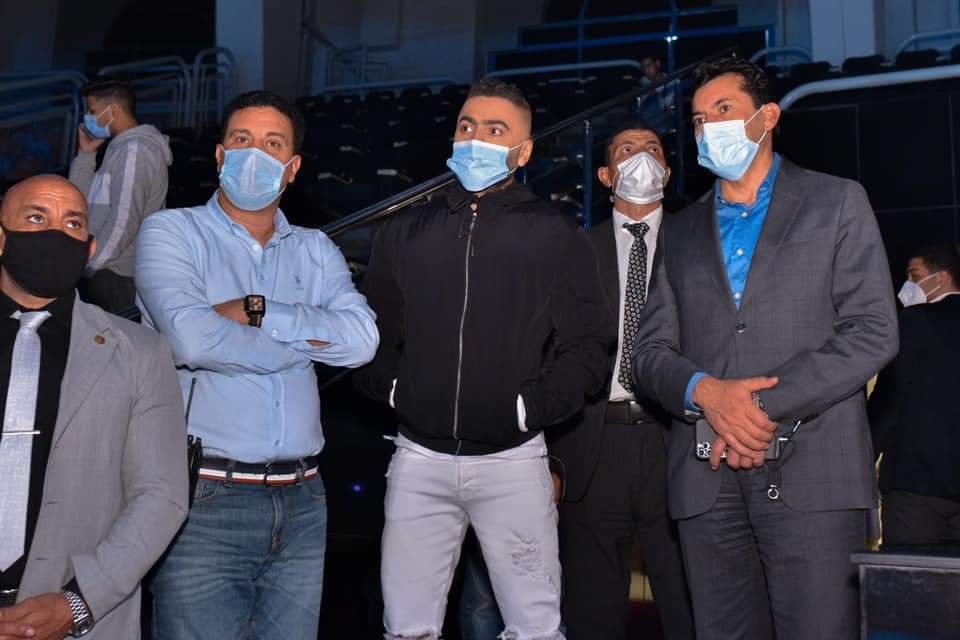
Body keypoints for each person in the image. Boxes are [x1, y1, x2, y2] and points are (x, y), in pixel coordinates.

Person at [632, 56, 898, 640]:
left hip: (816, 478)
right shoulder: (678, 231)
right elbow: (648, 354)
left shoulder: (836, 201)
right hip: (706, 484)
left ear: (768, 117)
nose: (709, 127)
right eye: (699, 119)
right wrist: (704, 393)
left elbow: (873, 330)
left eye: (723, 109)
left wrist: (756, 406)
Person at [355, 77, 611, 640]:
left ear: (524, 151)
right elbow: (371, 337)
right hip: (418, 460)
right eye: (467, 126)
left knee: (535, 629)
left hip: (512, 462)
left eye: (496, 130)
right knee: (407, 629)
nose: (476, 139)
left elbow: (589, 347)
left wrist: (529, 408)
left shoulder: (556, 234)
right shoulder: (405, 231)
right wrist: (396, 392)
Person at [137, 91, 379, 639]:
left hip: (304, 498)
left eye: (273, 144)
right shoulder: (171, 232)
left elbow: (363, 341)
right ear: (220, 155)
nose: (255, 154)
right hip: (205, 498)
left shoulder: (316, 248)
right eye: (242, 140)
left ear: (292, 168)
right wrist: (306, 343)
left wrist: (258, 310)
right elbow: (190, 341)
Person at [0, 174, 187, 639]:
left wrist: (78, 602)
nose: (56, 233)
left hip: (79, 619)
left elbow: (160, 495)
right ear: (1, 238)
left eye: (73, 223)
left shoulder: (140, 352)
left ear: (89, 250)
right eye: (36, 218)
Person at [549, 121, 695, 640]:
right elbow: (548, 352)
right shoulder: (573, 250)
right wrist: (549, 456)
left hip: (676, 439)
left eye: (653, 149)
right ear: (606, 175)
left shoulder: (698, 242)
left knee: (688, 603)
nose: (642, 157)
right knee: (592, 610)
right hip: (593, 444)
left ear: (668, 171)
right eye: (627, 150)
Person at [869, 246, 960, 546]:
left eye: (914, 276)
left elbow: (888, 398)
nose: (907, 286)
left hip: (915, 481)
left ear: (942, 278)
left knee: (911, 570)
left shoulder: (912, 323)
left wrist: (867, 456)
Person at [68, 79, 172, 314]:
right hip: (106, 271)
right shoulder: (120, 149)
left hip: (115, 276)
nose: (87, 118)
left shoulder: (135, 151)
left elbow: (124, 220)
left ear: (113, 110)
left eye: (92, 111)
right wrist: (86, 154)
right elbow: (79, 202)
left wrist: (91, 265)